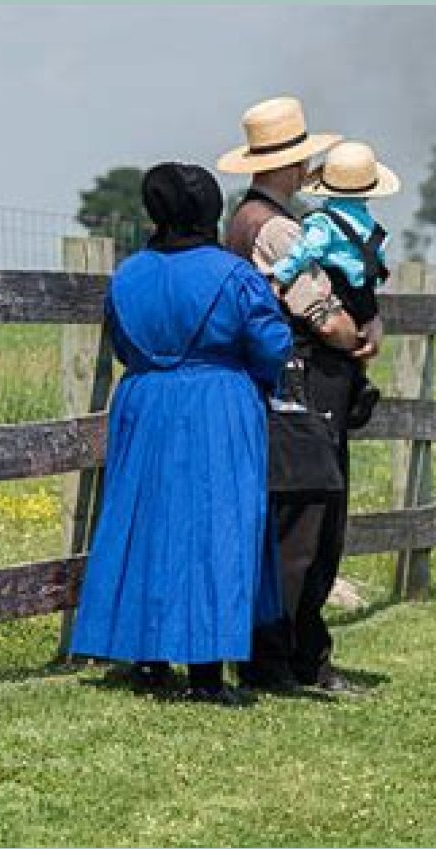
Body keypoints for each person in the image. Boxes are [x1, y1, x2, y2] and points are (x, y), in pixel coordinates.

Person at [69, 162, 292, 706]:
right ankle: (207, 674)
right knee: (217, 526)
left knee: (146, 521)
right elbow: (272, 346)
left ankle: (147, 660)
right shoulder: (233, 275)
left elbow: (122, 345)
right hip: (219, 402)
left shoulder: (128, 276)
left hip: (145, 401)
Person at [219, 95, 379, 694]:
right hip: (304, 379)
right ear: (293, 164)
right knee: (307, 521)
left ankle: (291, 654)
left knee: (298, 517)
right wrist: (356, 333)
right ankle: (282, 657)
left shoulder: (247, 218)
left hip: (287, 379)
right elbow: (320, 311)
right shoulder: (280, 228)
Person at [271, 140, 400, 428]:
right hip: (365, 293)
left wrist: (281, 274)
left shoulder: (322, 221)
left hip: (338, 287)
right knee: (362, 343)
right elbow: (378, 259)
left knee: (337, 338)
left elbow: (308, 250)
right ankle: (360, 380)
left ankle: (354, 386)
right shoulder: (370, 224)